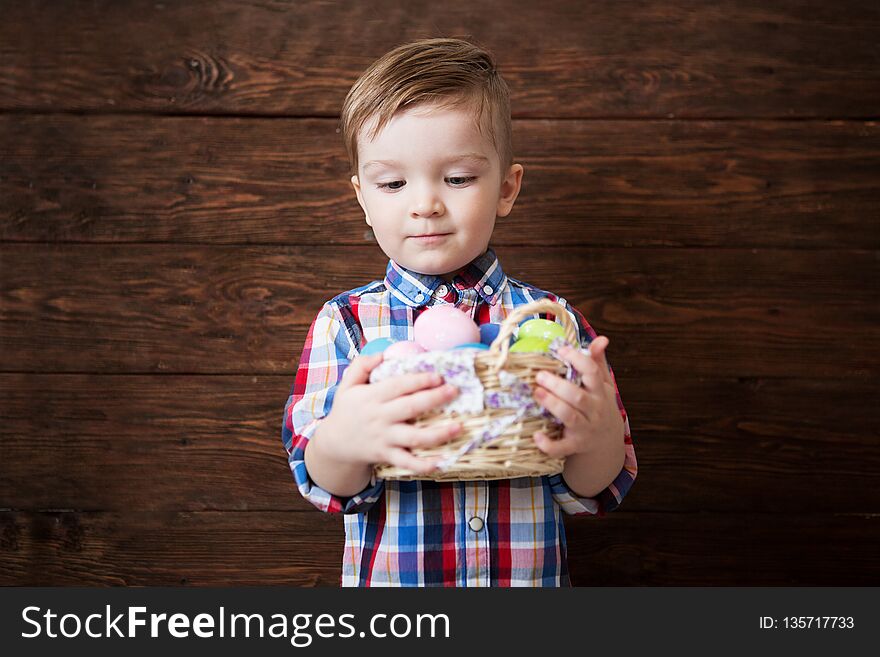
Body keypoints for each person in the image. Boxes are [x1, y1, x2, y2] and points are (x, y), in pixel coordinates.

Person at [281, 37, 637, 586]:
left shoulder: (545, 323)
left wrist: (598, 436)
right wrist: (344, 440)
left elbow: (593, 490)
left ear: (507, 188)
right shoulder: (346, 323)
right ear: (363, 199)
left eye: (459, 178)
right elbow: (323, 481)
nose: (425, 203)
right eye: (393, 183)